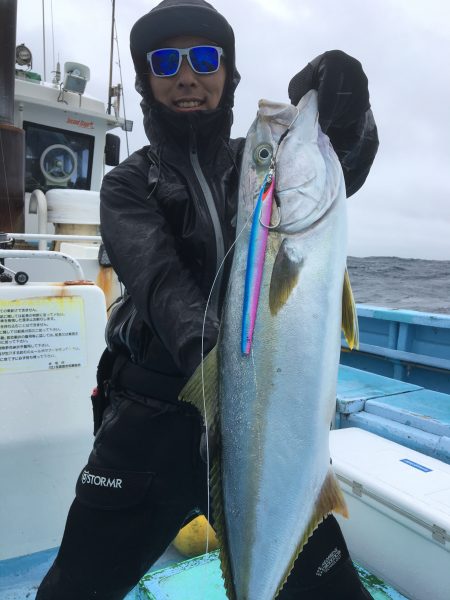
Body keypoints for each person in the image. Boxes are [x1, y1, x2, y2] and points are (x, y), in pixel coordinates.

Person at [37, 1, 379, 598]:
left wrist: (349, 109)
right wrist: (239, 378)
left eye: (204, 58)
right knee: (74, 588)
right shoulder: (127, 184)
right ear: (146, 80)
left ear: (229, 72)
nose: (186, 76)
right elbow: (161, 285)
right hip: (151, 421)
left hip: (261, 417)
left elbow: (338, 166)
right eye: (165, 62)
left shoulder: (257, 166)